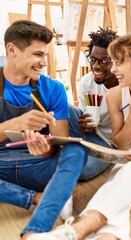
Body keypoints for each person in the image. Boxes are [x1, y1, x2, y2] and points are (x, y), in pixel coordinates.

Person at [28, 32, 131, 240]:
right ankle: (106, 237)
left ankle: (74, 231)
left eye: (117, 63)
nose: (113, 70)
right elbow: (121, 143)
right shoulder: (115, 95)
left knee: (129, 177)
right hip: (129, 153)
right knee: (116, 188)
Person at [0, 20, 88, 239]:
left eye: (45, 56)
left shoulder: (53, 89)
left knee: (76, 151)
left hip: (39, 167)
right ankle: (41, 197)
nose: (44, 63)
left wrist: (47, 150)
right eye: (38, 54)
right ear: (12, 50)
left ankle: (36, 231)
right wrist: (15, 124)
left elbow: (61, 142)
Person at [68, 27, 118, 181]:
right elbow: (84, 112)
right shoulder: (86, 82)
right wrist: (84, 123)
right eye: (92, 59)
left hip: (111, 144)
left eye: (104, 61)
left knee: (83, 172)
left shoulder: (126, 86)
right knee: (65, 107)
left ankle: (75, 154)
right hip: (92, 134)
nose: (96, 66)